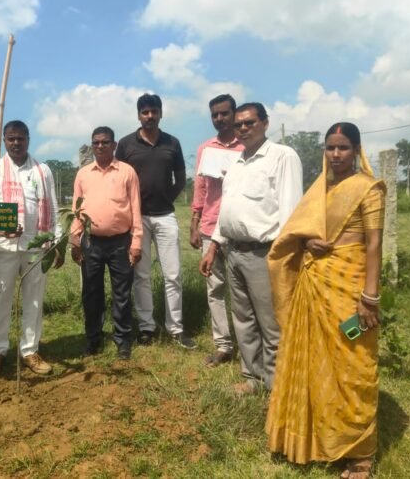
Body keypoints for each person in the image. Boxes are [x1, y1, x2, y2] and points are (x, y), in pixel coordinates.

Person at [266, 123, 384, 479]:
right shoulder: (319, 190)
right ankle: (316, 439)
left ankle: (360, 453)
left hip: (350, 287)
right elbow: (299, 233)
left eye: (343, 147)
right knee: (313, 359)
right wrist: (306, 243)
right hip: (314, 282)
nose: (335, 154)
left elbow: (374, 244)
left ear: (357, 150)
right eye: (330, 147)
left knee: (354, 365)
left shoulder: (368, 188)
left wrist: (370, 297)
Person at [200, 102, 302, 394]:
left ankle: (277, 385)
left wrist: (285, 257)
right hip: (234, 252)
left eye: (249, 122)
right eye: (238, 125)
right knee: (243, 320)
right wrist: (214, 246)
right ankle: (253, 378)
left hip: (265, 253)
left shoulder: (282, 156)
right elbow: (226, 211)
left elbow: (290, 211)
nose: (243, 128)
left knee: (271, 323)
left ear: (265, 123)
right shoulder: (237, 164)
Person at [0, 120, 64, 378]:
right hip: (3, 247)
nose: (16, 143)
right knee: (0, 300)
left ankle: (29, 351)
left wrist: (56, 243)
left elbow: (53, 207)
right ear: (4, 140)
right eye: (11, 138)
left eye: (20, 138)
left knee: (34, 301)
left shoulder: (42, 170)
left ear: (28, 139)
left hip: (36, 245)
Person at [116, 93, 196, 349]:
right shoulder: (126, 144)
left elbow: (180, 179)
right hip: (137, 219)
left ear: (161, 113)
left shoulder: (172, 143)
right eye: (145, 112)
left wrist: (165, 198)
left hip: (165, 216)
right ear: (138, 115)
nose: (150, 116)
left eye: (154, 111)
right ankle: (146, 327)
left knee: (173, 274)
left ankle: (176, 328)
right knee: (141, 275)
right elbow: (119, 180)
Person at [70, 127, 143, 360]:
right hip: (91, 242)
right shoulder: (83, 174)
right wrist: (75, 240)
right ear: (92, 145)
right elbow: (76, 210)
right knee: (91, 292)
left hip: (121, 242)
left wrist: (137, 242)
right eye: (96, 142)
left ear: (114, 145)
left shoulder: (127, 172)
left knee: (122, 293)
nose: (100, 146)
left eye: (105, 142)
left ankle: (122, 339)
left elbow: (135, 208)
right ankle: (93, 338)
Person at [190, 94, 243, 367]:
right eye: (215, 115)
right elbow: (201, 187)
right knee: (215, 289)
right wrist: (195, 222)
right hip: (210, 226)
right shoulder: (205, 149)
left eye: (224, 113)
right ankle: (223, 345)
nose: (220, 119)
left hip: (239, 228)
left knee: (242, 290)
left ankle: (248, 343)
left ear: (234, 114)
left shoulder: (247, 146)